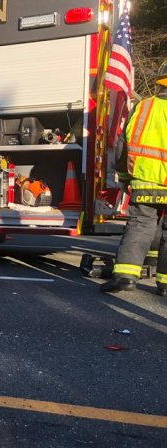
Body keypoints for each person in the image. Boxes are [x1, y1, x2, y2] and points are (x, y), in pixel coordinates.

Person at [101, 60, 167, 295]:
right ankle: (165, 285)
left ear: (159, 82)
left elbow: (122, 147)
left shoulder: (143, 107)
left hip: (144, 181)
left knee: (139, 226)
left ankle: (125, 278)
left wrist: (124, 177)